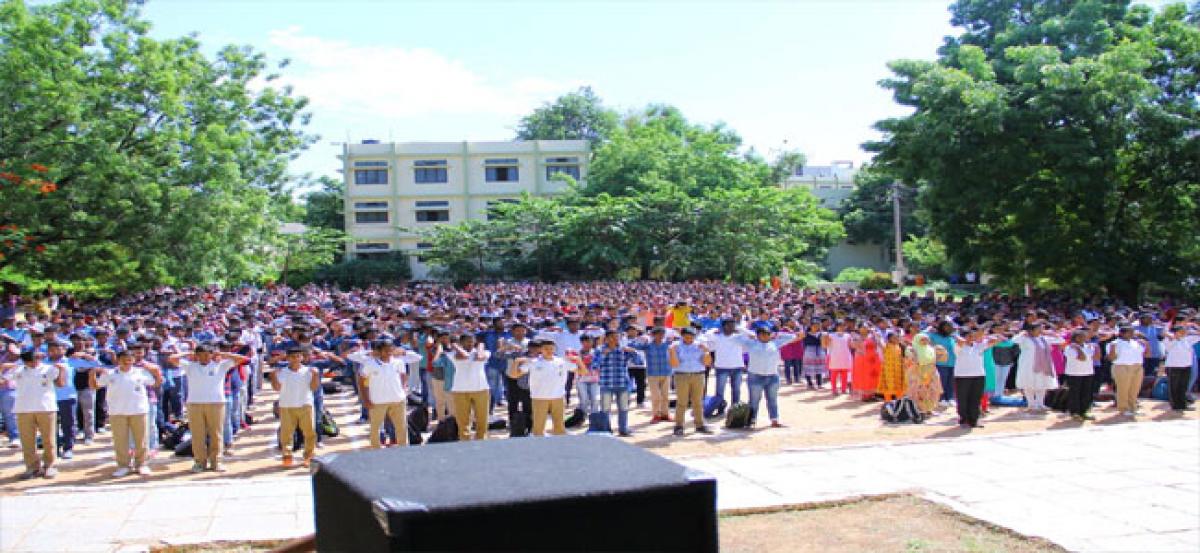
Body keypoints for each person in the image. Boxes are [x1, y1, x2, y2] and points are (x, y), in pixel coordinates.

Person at [169, 344, 249, 473]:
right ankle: (199, 462)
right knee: (197, 435)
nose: (205, 357)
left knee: (216, 434)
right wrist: (188, 353)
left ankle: (216, 461)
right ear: (197, 355)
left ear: (212, 354)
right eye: (201, 354)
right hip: (195, 404)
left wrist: (222, 354)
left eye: (208, 354)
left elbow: (242, 359)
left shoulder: (220, 365)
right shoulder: (190, 366)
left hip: (216, 403)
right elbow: (172, 358)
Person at [89, 349, 161, 476]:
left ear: (133, 360)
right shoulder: (110, 373)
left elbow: (155, 384)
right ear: (118, 360)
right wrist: (92, 374)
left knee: (141, 439)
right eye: (123, 360)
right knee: (120, 440)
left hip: (138, 410)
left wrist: (157, 373)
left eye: (129, 360)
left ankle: (142, 464)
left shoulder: (141, 372)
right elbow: (95, 386)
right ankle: (123, 465)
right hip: (117, 411)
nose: (127, 363)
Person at [350, 339, 420, 448]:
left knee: (401, 427)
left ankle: (404, 449)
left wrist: (403, 389)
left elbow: (403, 374)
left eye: (390, 350)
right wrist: (365, 399)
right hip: (377, 401)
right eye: (385, 351)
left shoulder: (399, 362)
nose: (388, 353)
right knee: (376, 428)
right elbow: (361, 380)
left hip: (398, 400)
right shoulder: (370, 364)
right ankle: (376, 449)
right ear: (379, 351)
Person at [7, 351, 67, 478]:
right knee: (27, 441)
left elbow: (61, 384)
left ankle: (49, 465)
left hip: (46, 407)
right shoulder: (18, 370)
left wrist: (62, 371)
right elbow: (5, 379)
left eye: (34, 360)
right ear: (24, 361)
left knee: (49, 439)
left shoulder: (49, 368)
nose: (33, 363)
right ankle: (32, 467)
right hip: (23, 409)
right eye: (29, 361)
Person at [512, 340, 585, 436]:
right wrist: (516, 362)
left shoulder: (561, 361)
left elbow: (583, 372)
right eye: (546, 349)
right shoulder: (533, 362)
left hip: (558, 397)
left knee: (559, 429)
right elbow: (514, 375)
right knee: (538, 430)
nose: (549, 351)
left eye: (551, 348)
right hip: (539, 397)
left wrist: (579, 360)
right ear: (540, 350)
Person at [269, 347, 319, 467]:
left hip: (305, 404)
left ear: (302, 357)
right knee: (286, 433)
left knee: (309, 431)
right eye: (293, 357)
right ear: (288, 358)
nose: (296, 359)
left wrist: (316, 376)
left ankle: (308, 455)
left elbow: (313, 387)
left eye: (298, 356)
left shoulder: (308, 371)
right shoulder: (283, 372)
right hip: (287, 405)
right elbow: (277, 388)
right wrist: (273, 377)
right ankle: (287, 455)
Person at [592, 330, 641, 437]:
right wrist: (603, 355)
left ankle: (623, 429)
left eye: (617, 337)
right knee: (605, 409)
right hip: (606, 384)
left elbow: (638, 362)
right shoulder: (599, 350)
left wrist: (633, 352)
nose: (615, 339)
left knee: (623, 408)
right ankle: (606, 430)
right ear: (607, 338)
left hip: (622, 383)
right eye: (613, 337)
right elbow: (594, 366)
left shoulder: (624, 350)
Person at [953, 326, 1001, 428]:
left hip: (979, 375)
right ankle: (964, 420)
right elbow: (960, 343)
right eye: (968, 336)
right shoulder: (958, 346)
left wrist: (986, 337)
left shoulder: (978, 346)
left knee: (976, 399)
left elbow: (995, 341)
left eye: (972, 336)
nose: (971, 337)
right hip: (962, 376)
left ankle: (974, 420)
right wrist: (959, 338)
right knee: (963, 399)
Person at [669, 327, 713, 436]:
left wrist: (707, 351)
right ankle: (679, 425)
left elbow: (707, 363)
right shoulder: (676, 346)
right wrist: (672, 351)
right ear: (682, 336)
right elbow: (674, 364)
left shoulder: (699, 345)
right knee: (682, 402)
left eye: (691, 337)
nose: (689, 339)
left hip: (698, 375)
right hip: (681, 375)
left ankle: (700, 424)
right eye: (687, 337)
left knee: (697, 402)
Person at [449, 334, 491, 441]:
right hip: (460, 390)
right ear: (461, 343)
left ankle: (481, 440)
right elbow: (464, 356)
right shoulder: (452, 353)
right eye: (468, 341)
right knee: (463, 420)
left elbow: (480, 357)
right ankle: (465, 440)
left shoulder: (484, 352)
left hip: (481, 389)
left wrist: (481, 345)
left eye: (472, 341)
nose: (470, 344)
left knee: (482, 418)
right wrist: (455, 346)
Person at [1014, 323, 1063, 413]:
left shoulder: (1043, 339)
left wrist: (1051, 334)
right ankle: (1031, 404)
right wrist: (1022, 333)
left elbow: (1060, 340)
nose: (1040, 330)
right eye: (1038, 329)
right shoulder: (1025, 339)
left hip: (1043, 365)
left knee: (1042, 384)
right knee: (1028, 384)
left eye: (1041, 328)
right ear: (1032, 330)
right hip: (1028, 365)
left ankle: (1040, 404)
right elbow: (1014, 340)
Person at [630, 327, 673, 422]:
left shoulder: (667, 344)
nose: (660, 336)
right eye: (658, 334)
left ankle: (665, 414)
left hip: (666, 372)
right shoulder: (647, 345)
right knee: (656, 396)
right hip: (653, 373)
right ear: (653, 335)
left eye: (662, 334)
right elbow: (633, 346)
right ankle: (656, 414)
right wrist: (641, 340)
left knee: (666, 395)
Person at [1107, 325, 1148, 417]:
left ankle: (1133, 407)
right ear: (1122, 333)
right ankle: (1123, 408)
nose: (1132, 334)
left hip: (1137, 366)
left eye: (1132, 332)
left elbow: (1145, 354)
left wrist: (1146, 344)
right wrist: (1112, 348)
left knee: (1134, 388)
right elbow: (1111, 358)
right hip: (1121, 366)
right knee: (1123, 388)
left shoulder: (1136, 342)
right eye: (1129, 332)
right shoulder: (1114, 343)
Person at [705, 319, 748, 406]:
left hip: (737, 367)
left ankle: (735, 409)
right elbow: (707, 335)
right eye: (730, 325)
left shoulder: (739, 337)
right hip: (721, 367)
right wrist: (715, 329)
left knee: (736, 390)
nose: (732, 327)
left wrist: (739, 328)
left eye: (733, 325)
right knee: (719, 391)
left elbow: (750, 335)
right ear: (724, 326)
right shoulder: (717, 337)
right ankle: (719, 408)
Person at [1161, 323, 1198, 412]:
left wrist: (1194, 328)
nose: (1185, 332)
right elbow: (1165, 336)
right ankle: (1175, 405)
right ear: (1177, 332)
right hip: (1174, 366)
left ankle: (1183, 404)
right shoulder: (1169, 340)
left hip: (1186, 366)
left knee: (1183, 386)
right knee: (1174, 387)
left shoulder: (1187, 340)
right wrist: (1172, 335)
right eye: (1182, 331)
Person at [905, 334, 944, 416]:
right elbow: (913, 362)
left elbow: (935, 360)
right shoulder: (911, 349)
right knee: (918, 391)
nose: (925, 341)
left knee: (932, 390)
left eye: (926, 339)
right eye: (922, 339)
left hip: (931, 372)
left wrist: (941, 354)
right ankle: (918, 410)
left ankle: (929, 409)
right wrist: (915, 354)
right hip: (917, 373)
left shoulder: (931, 349)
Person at [1063, 330, 1097, 421]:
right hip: (1074, 373)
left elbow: (1095, 357)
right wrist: (1078, 348)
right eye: (1082, 336)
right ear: (1076, 337)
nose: (1085, 338)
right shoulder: (1069, 348)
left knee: (1086, 394)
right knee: (1075, 394)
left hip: (1088, 372)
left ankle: (1084, 411)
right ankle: (1075, 412)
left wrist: (1094, 347)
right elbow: (1082, 358)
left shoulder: (1087, 346)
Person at [850, 324, 882, 401]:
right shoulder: (856, 337)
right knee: (863, 376)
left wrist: (876, 335)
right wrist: (858, 340)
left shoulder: (873, 336)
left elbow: (880, 344)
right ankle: (865, 395)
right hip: (862, 359)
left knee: (872, 376)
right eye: (862, 327)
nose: (864, 329)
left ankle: (871, 394)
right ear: (859, 329)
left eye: (866, 327)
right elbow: (853, 346)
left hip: (873, 359)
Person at [822, 321, 853, 396]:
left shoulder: (848, 335)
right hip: (834, 357)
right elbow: (825, 345)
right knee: (834, 375)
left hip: (845, 357)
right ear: (836, 327)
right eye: (840, 326)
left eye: (843, 326)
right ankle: (834, 390)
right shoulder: (831, 335)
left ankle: (843, 389)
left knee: (844, 375)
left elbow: (850, 346)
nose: (841, 327)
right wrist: (824, 338)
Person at [877, 332, 906, 401]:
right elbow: (880, 343)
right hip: (888, 370)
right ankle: (888, 401)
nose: (896, 339)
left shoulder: (898, 346)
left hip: (898, 369)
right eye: (894, 338)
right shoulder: (886, 345)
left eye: (897, 337)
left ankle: (899, 400)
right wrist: (878, 336)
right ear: (889, 339)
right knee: (888, 385)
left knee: (899, 385)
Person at [801, 321, 827, 389]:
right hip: (809, 352)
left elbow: (824, 344)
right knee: (808, 368)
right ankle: (809, 383)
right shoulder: (805, 334)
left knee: (819, 368)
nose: (816, 327)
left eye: (817, 325)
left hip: (819, 351)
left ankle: (819, 384)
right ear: (811, 326)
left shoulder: (822, 334)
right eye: (814, 326)